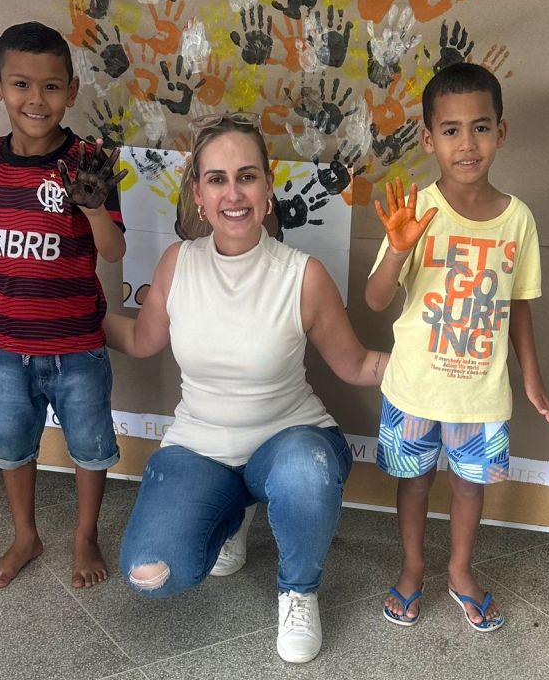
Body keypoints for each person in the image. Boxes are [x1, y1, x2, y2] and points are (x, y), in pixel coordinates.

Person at [103, 111, 386, 664]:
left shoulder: (302, 274)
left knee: (304, 471)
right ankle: (233, 510)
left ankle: (298, 590)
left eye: (247, 176)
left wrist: (436, 367)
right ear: (199, 194)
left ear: (267, 186)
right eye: (217, 179)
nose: (233, 194)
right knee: (150, 574)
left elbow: (355, 365)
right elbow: (140, 339)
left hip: (291, 439)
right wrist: (67, 315)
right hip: (200, 446)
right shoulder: (177, 264)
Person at [365, 62, 549, 630]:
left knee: (470, 487)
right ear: (429, 139)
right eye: (451, 130)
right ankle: (411, 568)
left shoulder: (518, 220)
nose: (467, 143)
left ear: (501, 132)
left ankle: (459, 572)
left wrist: (532, 379)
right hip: (414, 388)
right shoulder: (415, 212)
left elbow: (518, 304)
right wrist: (399, 248)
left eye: (480, 127)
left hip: (481, 393)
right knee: (414, 483)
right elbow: (376, 300)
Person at [0, 21, 127, 590]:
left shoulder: (88, 159)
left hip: (77, 346)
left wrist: (93, 206)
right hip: (9, 346)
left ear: (71, 91)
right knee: (12, 447)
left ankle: (85, 534)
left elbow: (113, 251)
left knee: (91, 448)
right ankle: (25, 535)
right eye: (21, 84)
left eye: (51, 86)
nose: (36, 99)